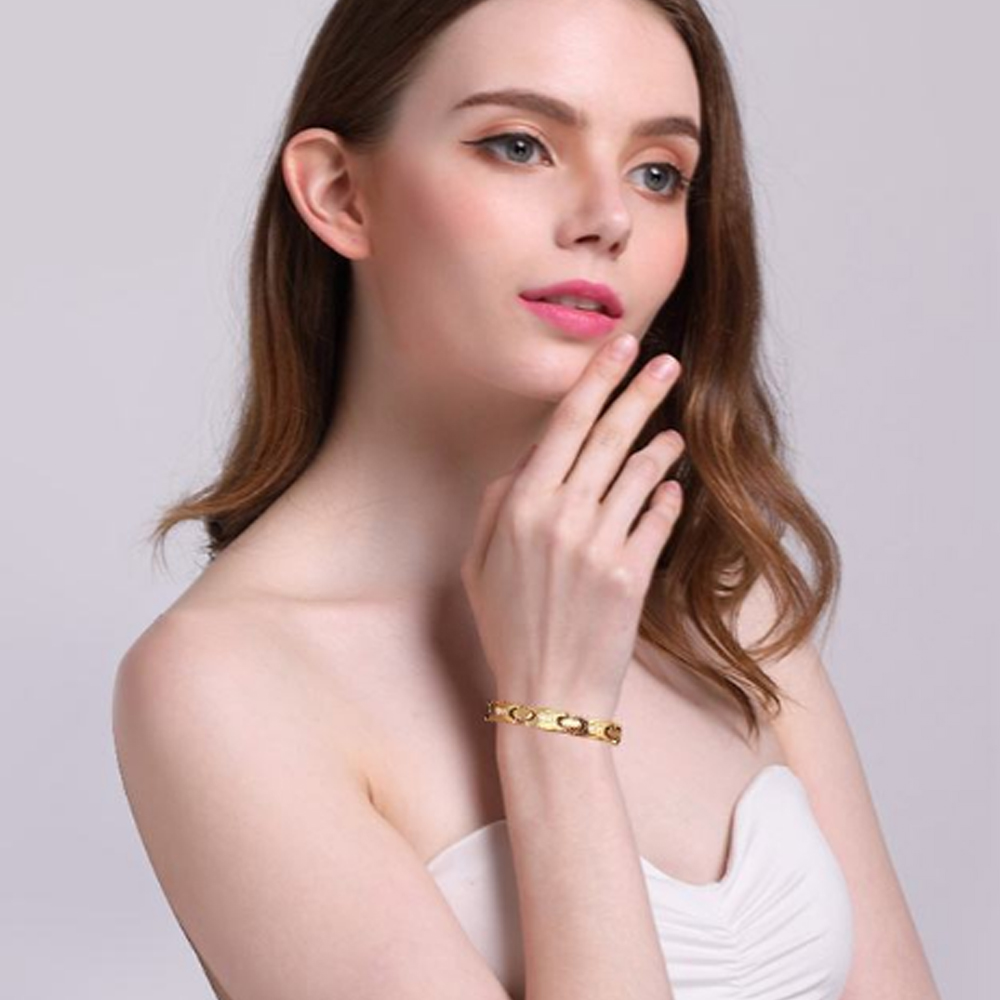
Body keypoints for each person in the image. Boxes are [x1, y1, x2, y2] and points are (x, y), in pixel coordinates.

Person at [111, 1, 942, 998]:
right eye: (519, 145)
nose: (607, 217)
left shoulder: (720, 591)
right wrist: (554, 721)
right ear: (341, 193)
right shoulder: (222, 683)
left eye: (658, 173)